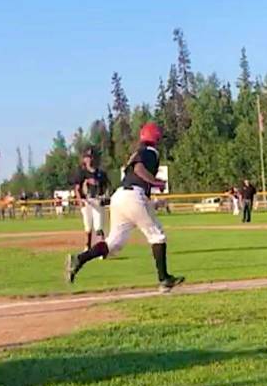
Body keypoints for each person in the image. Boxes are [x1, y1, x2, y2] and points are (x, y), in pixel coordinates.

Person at [66, 122, 183, 293]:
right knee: (157, 236)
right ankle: (164, 279)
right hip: (133, 196)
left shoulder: (138, 151)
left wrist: (151, 200)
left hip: (120, 197)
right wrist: (156, 182)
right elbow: (139, 169)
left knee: (113, 244)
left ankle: (80, 258)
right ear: (156, 138)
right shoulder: (150, 151)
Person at [72, 148, 110, 251]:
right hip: (86, 201)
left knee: (99, 227)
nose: (90, 159)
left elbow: (107, 187)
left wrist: (105, 197)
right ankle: (87, 247)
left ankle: (102, 248)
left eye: (91, 157)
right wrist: (80, 201)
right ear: (84, 159)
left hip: (97, 200)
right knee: (88, 226)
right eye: (88, 157)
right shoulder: (82, 173)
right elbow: (77, 188)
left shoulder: (101, 173)